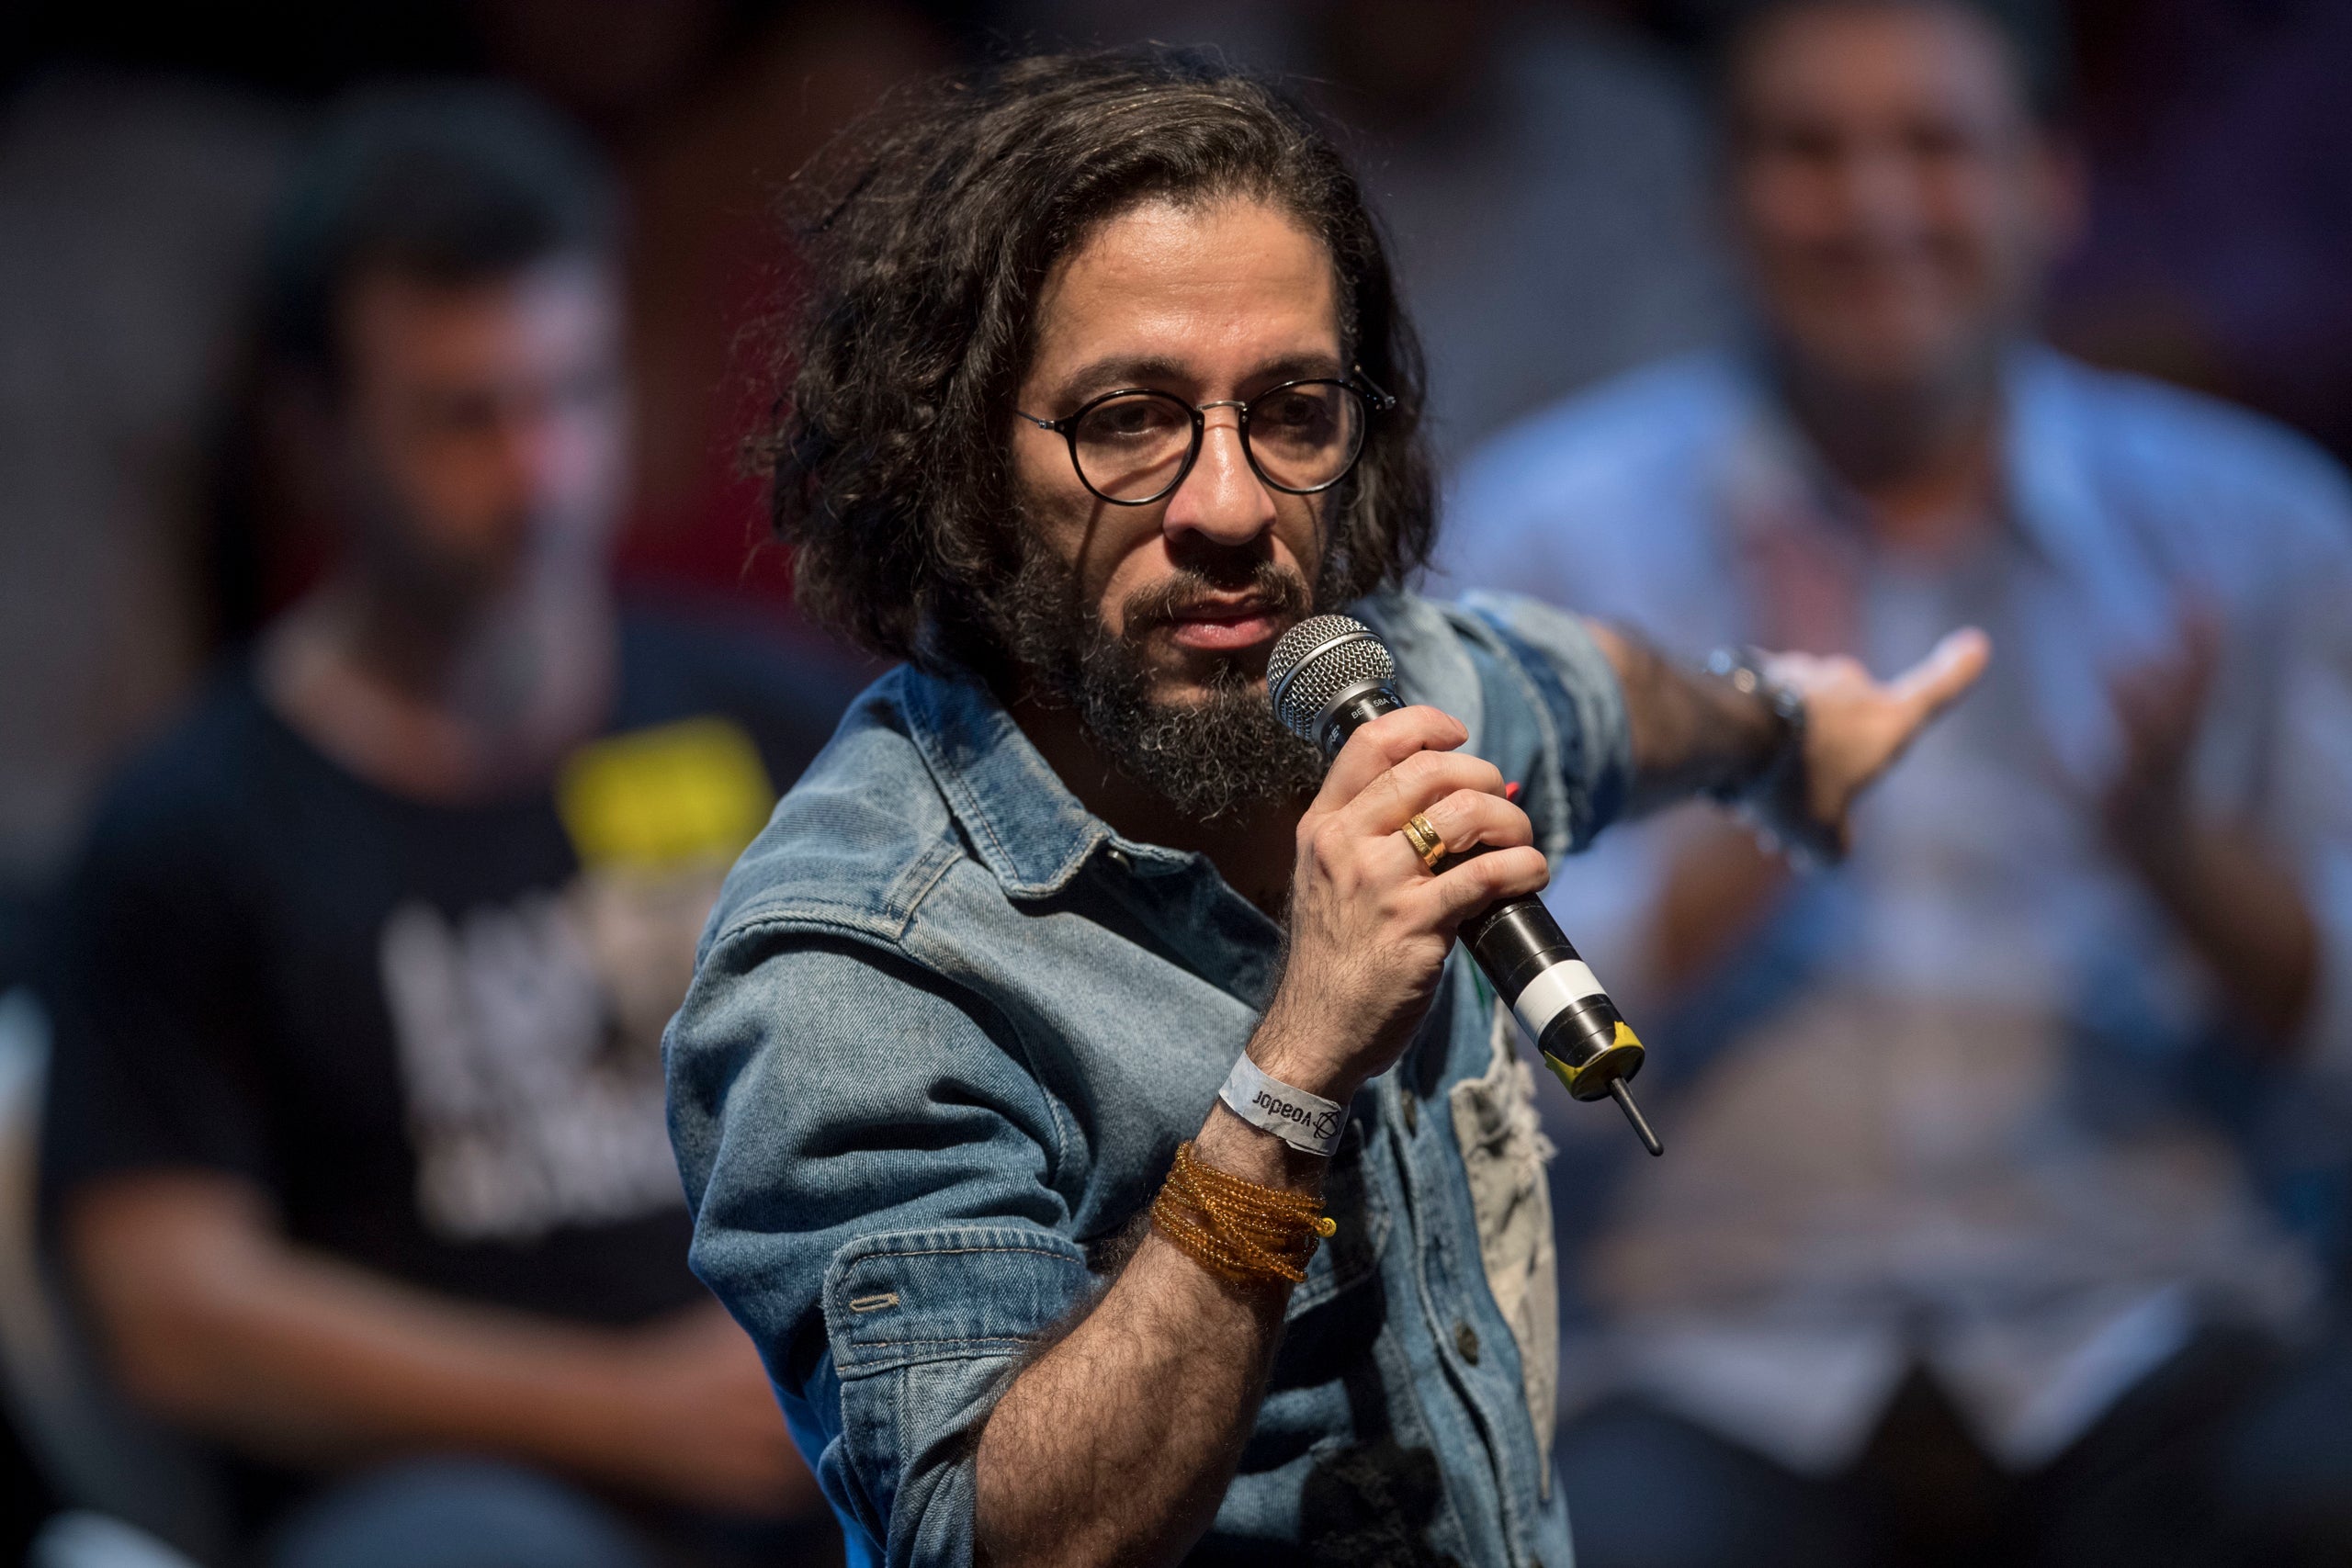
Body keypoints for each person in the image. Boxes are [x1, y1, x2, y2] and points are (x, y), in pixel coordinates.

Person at [662, 48, 1986, 1566]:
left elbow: (1616, 692)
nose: (1228, 505)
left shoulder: (1386, 692)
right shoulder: (855, 968)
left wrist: (1788, 730)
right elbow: (1000, 1541)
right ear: (957, 457)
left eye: (1290, 411)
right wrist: (1293, 1069)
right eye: (1129, 420)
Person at [1442, 1, 2352, 1563]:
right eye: (1810, 151)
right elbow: (1482, 1090)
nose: (1873, 209)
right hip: (1708, 1357)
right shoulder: (1543, 537)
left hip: (2149, 1322)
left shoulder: (2255, 528)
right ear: (1721, 191)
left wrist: (2178, 859)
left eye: (1934, 146)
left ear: (2051, 180)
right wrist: (1754, 799)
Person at [43, 86, 851, 1567]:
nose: (539, 476)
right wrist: (623, 1410)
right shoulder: (193, 827)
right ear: (313, 435)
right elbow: (166, 1309)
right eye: (464, 418)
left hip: (829, 1452)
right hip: (467, 1500)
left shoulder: (783, 725)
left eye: (572, 396)